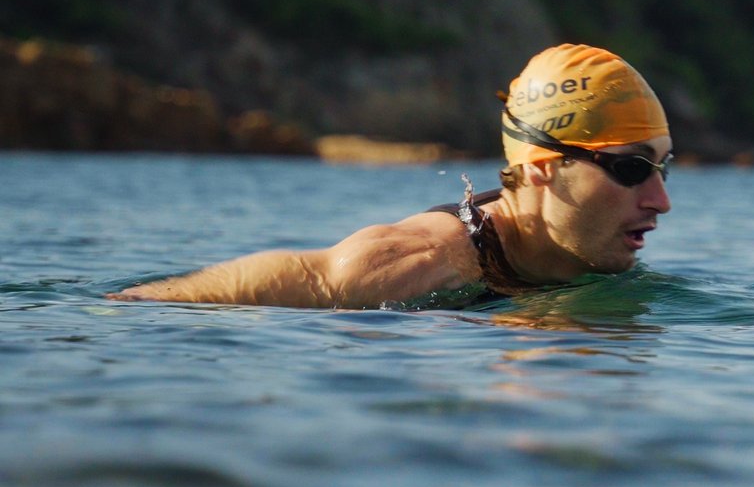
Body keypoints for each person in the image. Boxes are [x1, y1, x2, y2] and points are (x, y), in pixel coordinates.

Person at [109, 44, 673, 309]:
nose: (662, 200)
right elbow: (308, 275)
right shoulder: (426, 260)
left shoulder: (586, 266)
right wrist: (128, 306)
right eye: (632, 169)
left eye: (663, 168)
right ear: (545, 169)